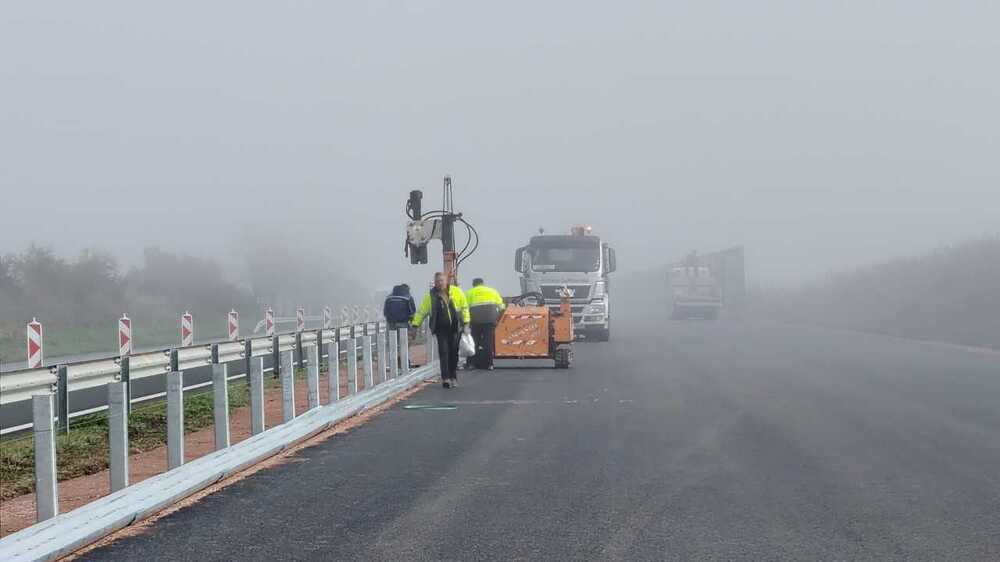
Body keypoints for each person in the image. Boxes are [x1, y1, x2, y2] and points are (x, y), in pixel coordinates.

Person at [412, 272, 467, 388]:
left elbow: (464, 307)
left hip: (455, 328)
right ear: (435, 283)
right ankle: (445, 378)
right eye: (437, 281)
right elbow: (422, 312)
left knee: (454, 353)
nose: (440, 283)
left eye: (442, 280)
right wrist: (415, 325)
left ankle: (453, 376)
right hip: (440, 329)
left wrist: (466, 323)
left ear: (446, 281)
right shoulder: (430, 296)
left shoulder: (457, 292)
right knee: (444, 352)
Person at [465, 278, 505, 370]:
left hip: (475, 321)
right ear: (483, 283)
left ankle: (471, 364)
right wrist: (497, 319)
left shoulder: (469, 293)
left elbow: (465, 308)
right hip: (490, 320)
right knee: (488, 342)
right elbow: (502, 307)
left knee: (473, 342)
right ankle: (490, 364)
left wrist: (466, 322)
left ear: (473, 284)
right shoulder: (493, 291)